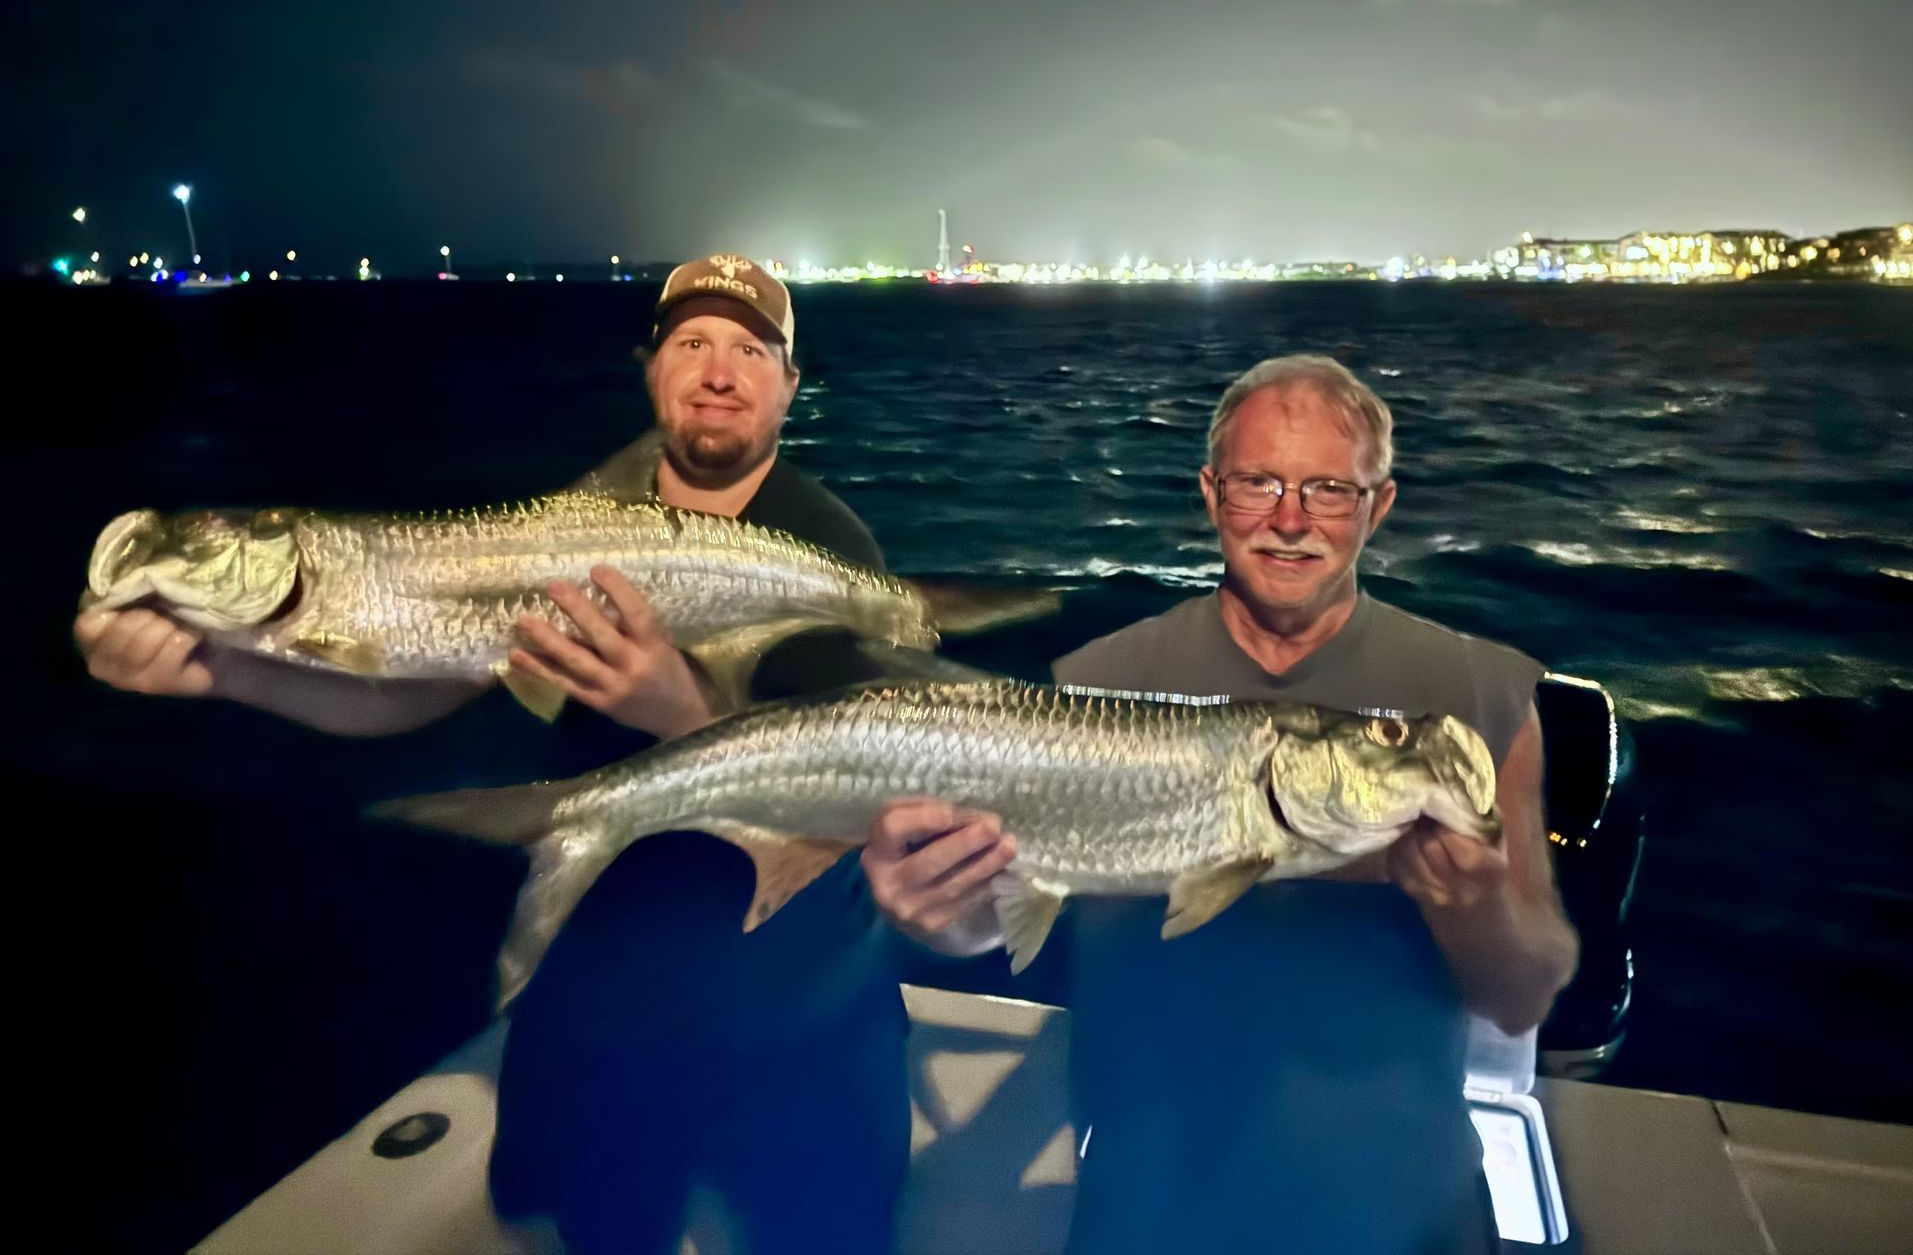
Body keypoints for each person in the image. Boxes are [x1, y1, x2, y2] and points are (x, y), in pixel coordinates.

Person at [75, 254, 911, 1255]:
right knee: (596, 1224)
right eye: (691, 342)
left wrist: (679, 711)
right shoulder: (561, 525)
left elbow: (865, 786)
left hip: (800, 985)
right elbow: (414, 688)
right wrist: (224, 673)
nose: (719, 368)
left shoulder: (831, 550)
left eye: (749, 348)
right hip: (611, 967)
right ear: (652, 370)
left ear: (788, 385)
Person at [863, 354, 1579, 1254]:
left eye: (1327, 488)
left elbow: (1525, 993)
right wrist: (940, 913)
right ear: (1211, 494)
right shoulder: (1097, 684)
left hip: (1402, 1211)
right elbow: (1001, 914)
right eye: (1258, 484)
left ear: (1378, 505)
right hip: (1150, 1206)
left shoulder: (1480, 694)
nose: (1289, 519)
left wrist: (1473, 908)